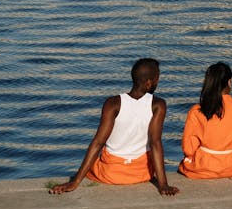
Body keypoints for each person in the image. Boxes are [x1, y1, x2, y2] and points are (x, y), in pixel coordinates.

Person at [49, 58, 178, 196]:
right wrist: (163, 184)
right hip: (141, 173)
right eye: (157, 79)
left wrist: (75, 182)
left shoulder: (113, 103)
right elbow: (155, 143)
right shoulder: (158, 104)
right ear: (149, 83)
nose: (158, 82)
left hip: (110, 174)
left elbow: (98, 143)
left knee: (95, 163)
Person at [178, 62, 232, 179]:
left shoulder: (197, 111)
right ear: (229, 82)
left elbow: (189, 148)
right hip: (230, 168)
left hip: (201, 168)